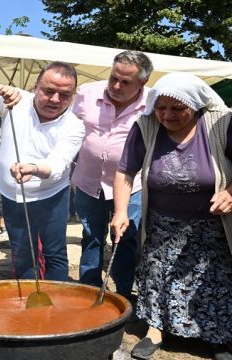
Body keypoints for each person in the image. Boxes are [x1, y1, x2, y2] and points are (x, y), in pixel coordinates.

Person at [111, 72, 232, 360]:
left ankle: (218, 338)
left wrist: (231, 192)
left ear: (194, 106)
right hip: (163, 223)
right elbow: (125, 170)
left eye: (177, 109)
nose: (167, 115)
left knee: (215, 282)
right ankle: (155, 330)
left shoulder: (221, 123)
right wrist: (120, 211)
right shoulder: (145, 126)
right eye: (161, 108)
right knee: (158, 276)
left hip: (215, 225)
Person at [0, 61, 85, 281]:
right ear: (36, 86)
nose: (55, 100)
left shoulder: (74, 125)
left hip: (51, 195)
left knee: (54, 252)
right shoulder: (16, 100)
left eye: (64, 95)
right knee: (22, 252)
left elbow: (57, 164)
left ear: (72, 96)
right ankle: (26, 300)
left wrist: (33, 169)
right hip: (12, 195)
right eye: (49, 91)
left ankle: (56, 302)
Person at [71, 50, 152, 299]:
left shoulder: (152, 102)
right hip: (88, 181)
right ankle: (89, 290)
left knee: (126, 238)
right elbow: (70, 129)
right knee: (91, 237)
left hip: (132, 184)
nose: (116, 86)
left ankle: (124, 293)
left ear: (142, 82)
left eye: (125, 82)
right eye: (113, 78)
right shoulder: (87, 93)